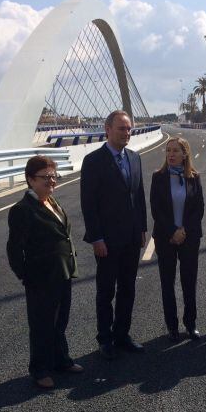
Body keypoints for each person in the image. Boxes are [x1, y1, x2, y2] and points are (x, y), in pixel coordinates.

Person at [6, 156, 83, 389]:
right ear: (30, 179)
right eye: (45, 177)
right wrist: (26, 276)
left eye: (53, 176)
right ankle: (39, 369)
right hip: (41, 278)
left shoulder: (52, 201)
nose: (51, 181)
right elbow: (14, 248)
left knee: (60, 322)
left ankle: (61, 360)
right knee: (41, 325)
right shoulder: (22, 210)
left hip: (63, 272)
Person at [80, 110, 148, 360]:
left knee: (128, 288)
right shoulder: (93, 161)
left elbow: (138, 196)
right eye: (121, 129)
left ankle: (123, 334)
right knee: (106, 291)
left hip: (131, 237)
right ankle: (104, 338)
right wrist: (96, 238)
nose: (127, 133)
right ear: (107, 130)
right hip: (107, 240)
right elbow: (89, 204)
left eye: (129, 129)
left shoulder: (134, 158)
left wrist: (142, 228)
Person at [150, 137, 205, 342]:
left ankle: (190, 324)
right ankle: (172, 326)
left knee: (189, 282)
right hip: (166, 238)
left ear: (185, 154)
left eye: (176, 151)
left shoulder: (194, 177)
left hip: (189, 238)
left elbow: (199, 208)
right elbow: (156, 210)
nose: (171, 154)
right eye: (168, 151)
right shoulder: (158, 177)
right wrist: (173, 231)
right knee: (167, 283)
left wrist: (184, 231)